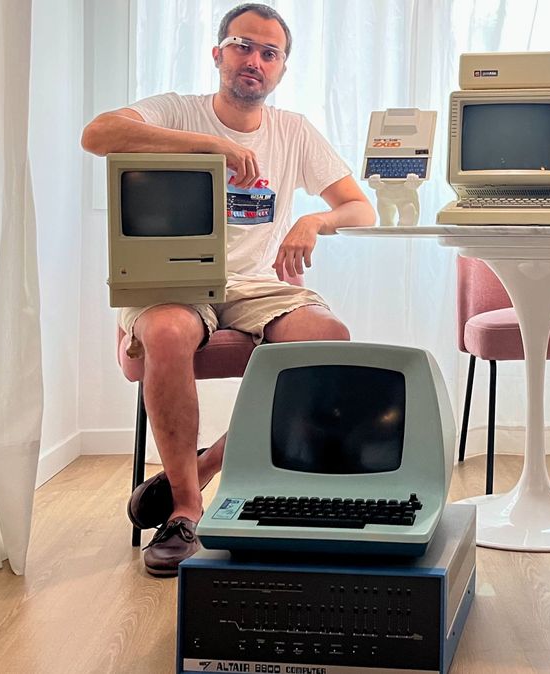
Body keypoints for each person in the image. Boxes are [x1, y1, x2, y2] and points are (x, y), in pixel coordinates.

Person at [81, 3, 375, 576]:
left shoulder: (293, 130)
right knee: (166, 331)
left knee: (329, 339)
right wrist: (205, 148)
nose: (255, 61)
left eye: (270, 53)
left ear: (282, 69)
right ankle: (186, 510)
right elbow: (97, 135)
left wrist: (313, 220)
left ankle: (205, 465)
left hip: (254, 283)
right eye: (243, 46)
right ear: (218, 54)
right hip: (175, 277)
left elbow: (360, 209)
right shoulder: (175, 111)